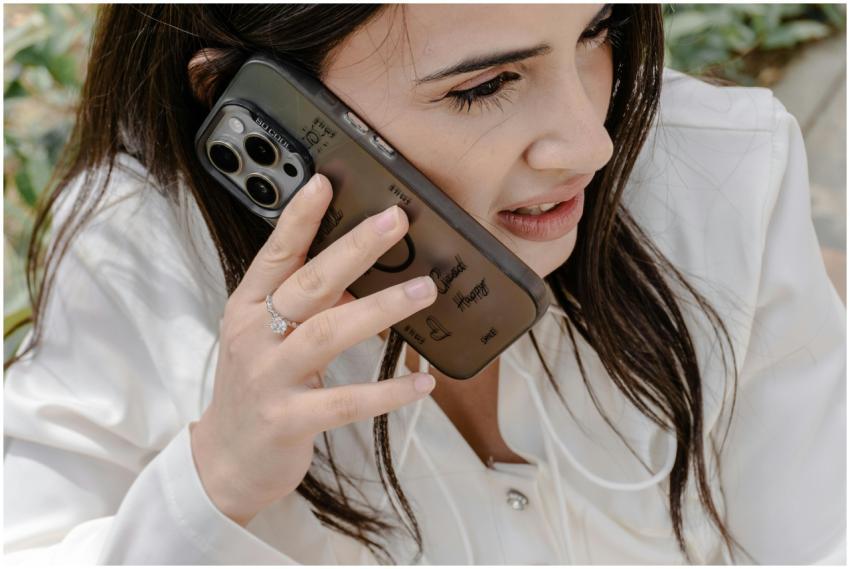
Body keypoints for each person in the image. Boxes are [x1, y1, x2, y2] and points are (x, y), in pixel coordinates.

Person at [4, 4, 845, 565]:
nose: (589, 143)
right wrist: (217, 475)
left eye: (598, 31)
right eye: (484, 86)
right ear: (249, 96)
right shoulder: (139, 260)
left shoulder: (724, 167)